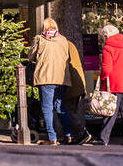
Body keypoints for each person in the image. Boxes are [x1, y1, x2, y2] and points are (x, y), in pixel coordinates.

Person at [28, 18, 72, 146]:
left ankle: (52, 138)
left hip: (46, 77)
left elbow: (30, 56)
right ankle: (68, 135)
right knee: (60, 107)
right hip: (61, 78)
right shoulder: (63, 39)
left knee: (47, 108)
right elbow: (67, 57)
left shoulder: (39, 38)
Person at [93, 24, 123, 147]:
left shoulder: (108, 48)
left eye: (104, 36)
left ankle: (103, 139)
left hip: (114, 85)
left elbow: (107, 68)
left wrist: (102, 78)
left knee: (109, 112)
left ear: (106, 35)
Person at [66, 37, 92, 144]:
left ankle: (82, 133)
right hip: (77, 83)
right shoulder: (70, 44)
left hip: (71, 84)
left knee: (69, 110)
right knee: (72, 109)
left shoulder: (64, 45)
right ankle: (76, 135)